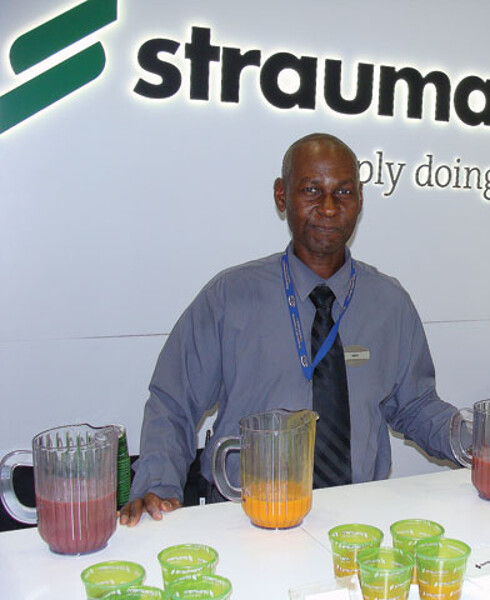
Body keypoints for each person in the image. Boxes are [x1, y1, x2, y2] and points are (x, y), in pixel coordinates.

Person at [120, 133, 460, 526]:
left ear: (360, 200)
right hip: (243, 516)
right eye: (312, 190)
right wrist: (159, 487)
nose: (329, 207)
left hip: (356, 520)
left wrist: (474, 440)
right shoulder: (230, 296)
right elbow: (173, 401)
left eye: (343, 192)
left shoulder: (389, 302)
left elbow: (415, 405)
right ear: (282, 196)